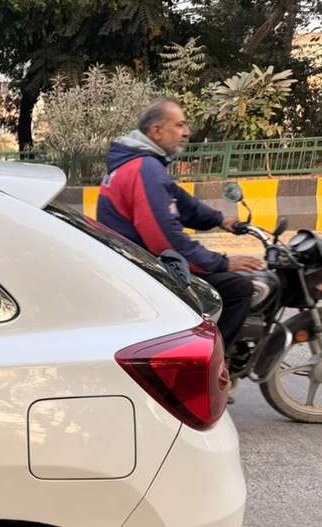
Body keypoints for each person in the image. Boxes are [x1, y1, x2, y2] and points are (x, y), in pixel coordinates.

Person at [97, 98, 265, 353]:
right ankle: (216, 369)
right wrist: (222, 262)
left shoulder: (139, 163)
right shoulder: (145, 168)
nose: (186, 132)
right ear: (157, 131)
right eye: (180, 125)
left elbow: (183, 203)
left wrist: (220, 220)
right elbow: (166, 241)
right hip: (146, 268)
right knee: (240, 288)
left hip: (132, 262)